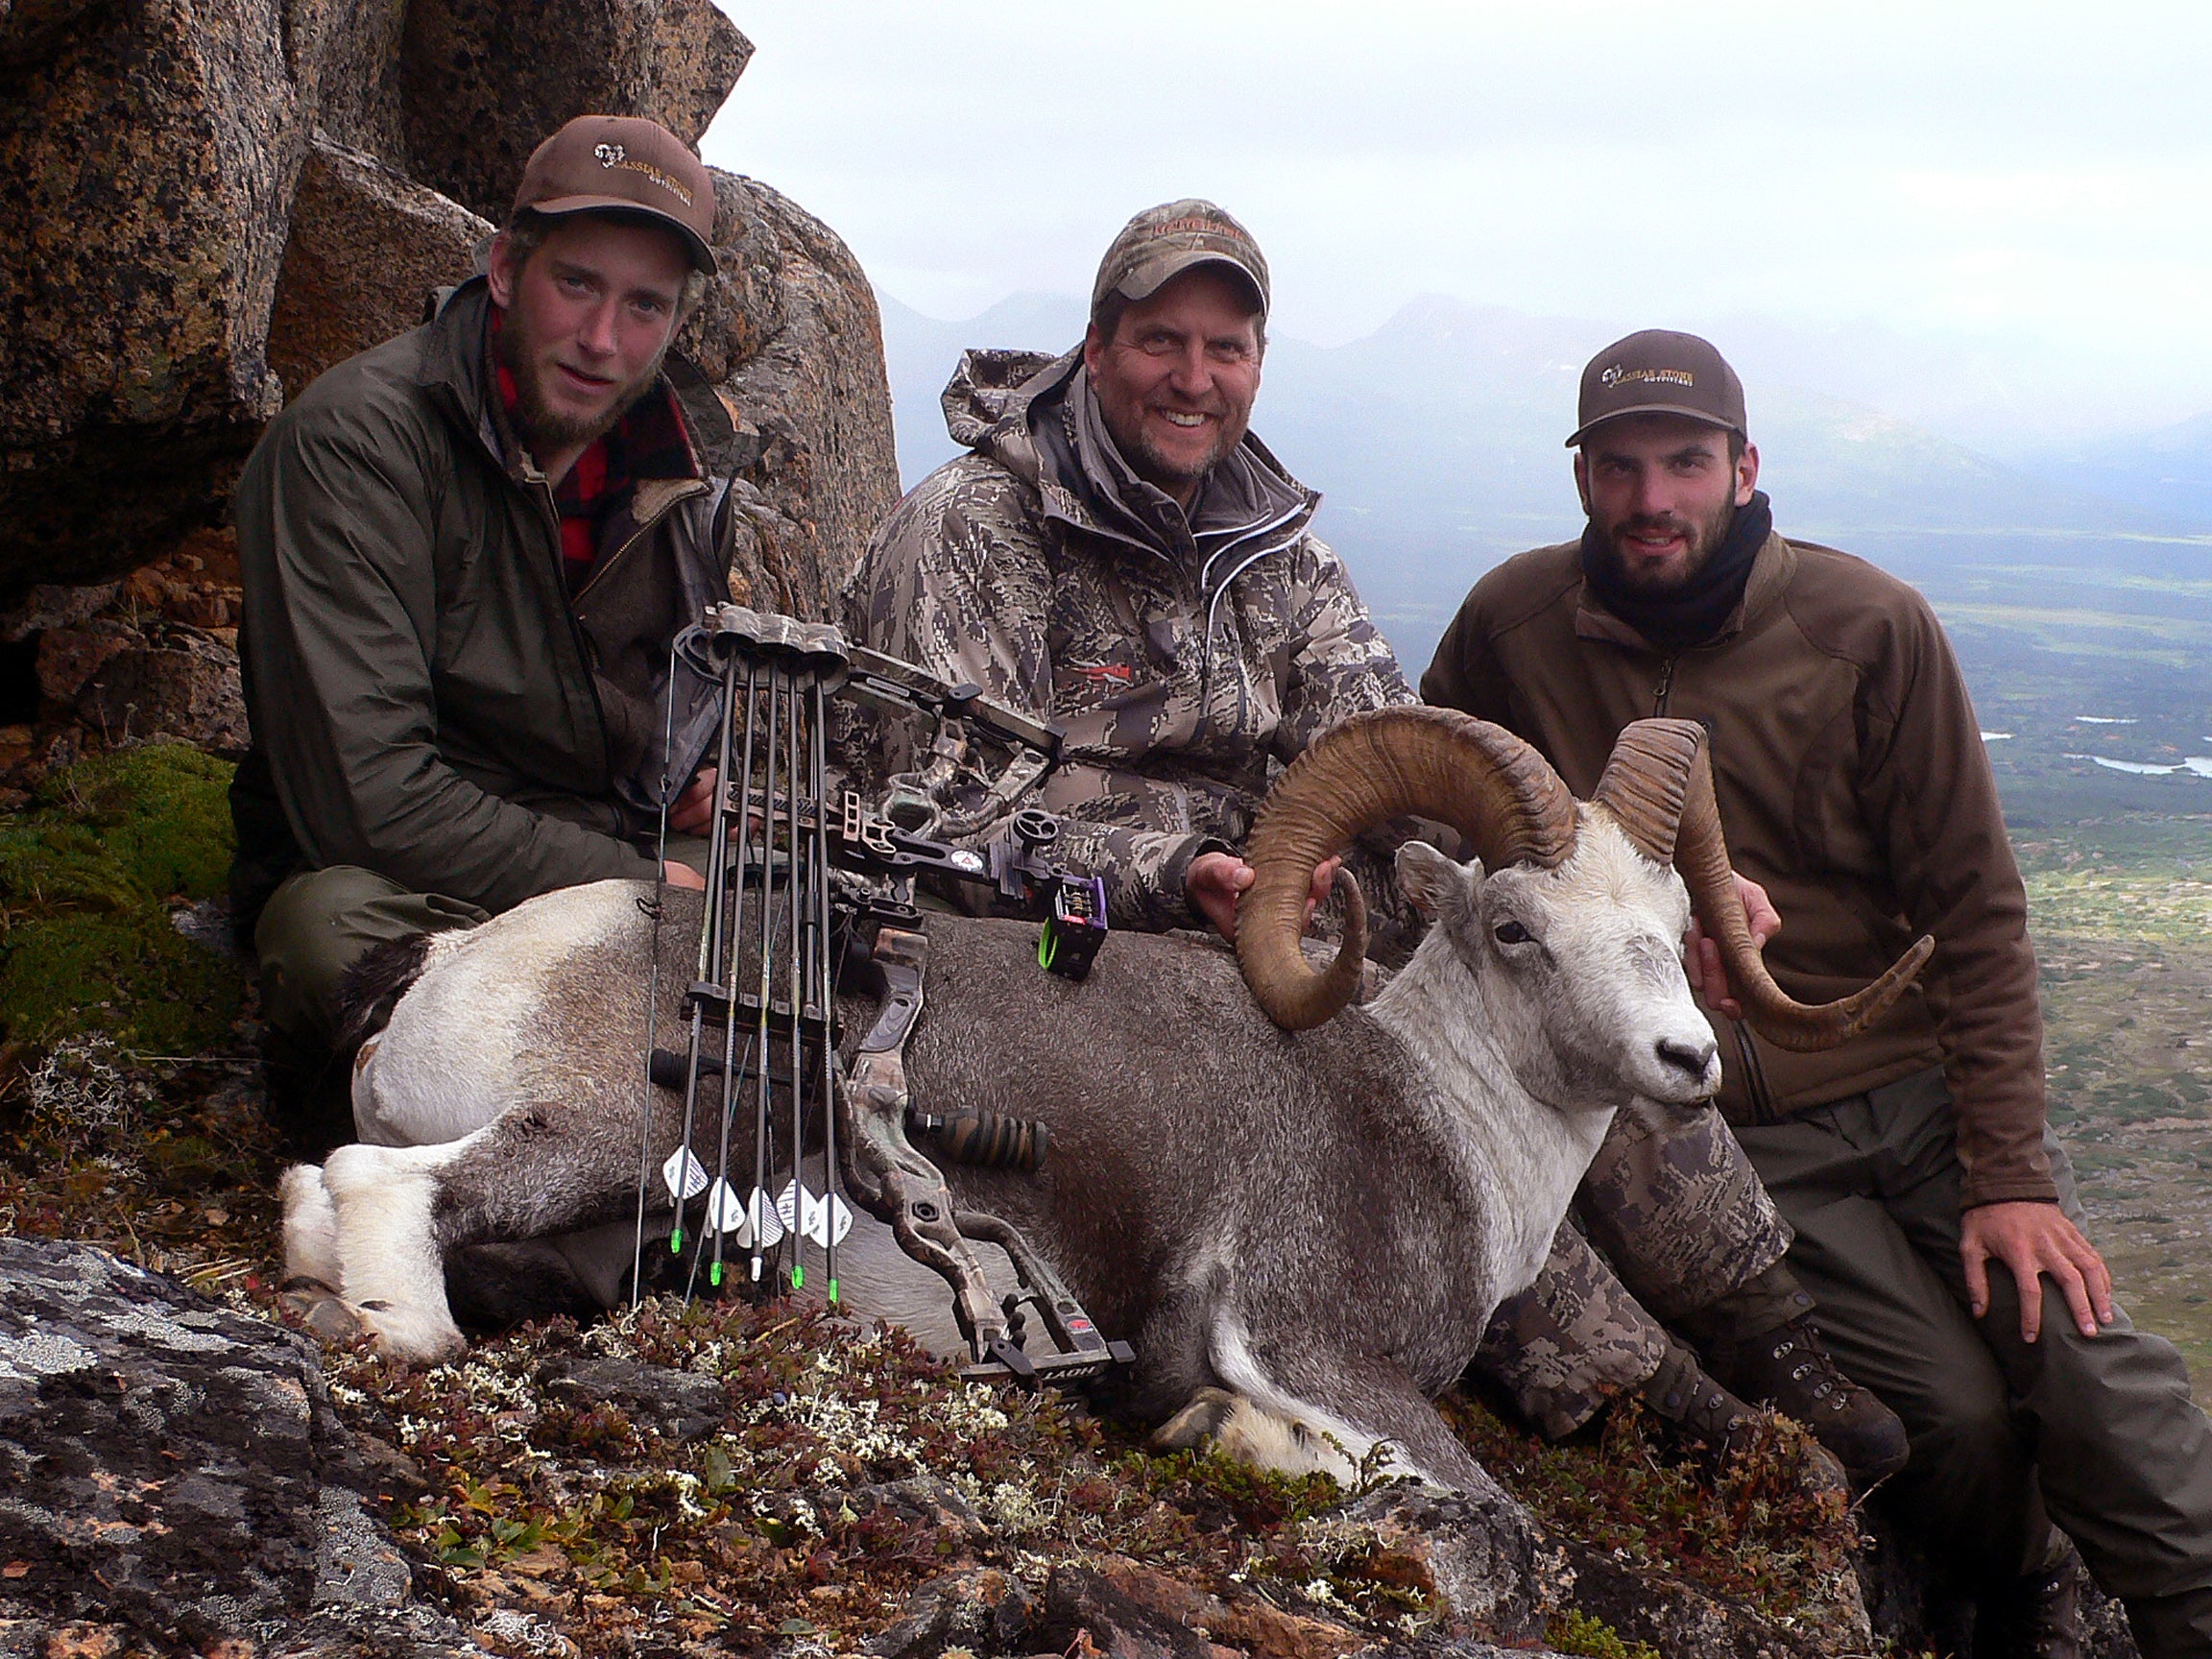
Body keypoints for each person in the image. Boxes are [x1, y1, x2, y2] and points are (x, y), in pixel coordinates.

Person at [841, 202, 1907, 1486]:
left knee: (1550, 968)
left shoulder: (1281, 555)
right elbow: (936, 809)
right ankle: (1638, 1384)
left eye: (1226, 348)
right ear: (1097, 344)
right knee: (1399, 1120)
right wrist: (1173, 872)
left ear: (1257, 364)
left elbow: (1392, 753)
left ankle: (1767, 1330)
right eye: (1161, 342)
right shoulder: (971, 529)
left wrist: (1608, 882)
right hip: (1056, 932)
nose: (1195, 378)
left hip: (1267, 887)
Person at [1422, 327, 2212, 1657]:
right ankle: (2021, 1594)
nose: (1653, 499)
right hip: (1737, 1125)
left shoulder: (1868, 625)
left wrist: (2011, 1174)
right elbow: (1447, 834)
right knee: (1949, 1421)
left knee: (2082, 1365)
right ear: (1581, 479)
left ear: (1745, 464)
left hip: (1918, 1095)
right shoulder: (1512, 625)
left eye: (1685, 462)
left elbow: (1978, 908)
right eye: (1619, 468)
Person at [228, 114, 743, 1147]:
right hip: (412, 876)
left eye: (645, 305)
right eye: (578, 285)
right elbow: (368, 801)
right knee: (324, 934)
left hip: (614, 851)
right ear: (507, 267)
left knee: (834, 921)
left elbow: (685, 696)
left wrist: (707, 769)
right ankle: (489, 1139)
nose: (604, 341)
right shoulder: (353, 446)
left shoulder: (680, 472)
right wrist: (639, 885)